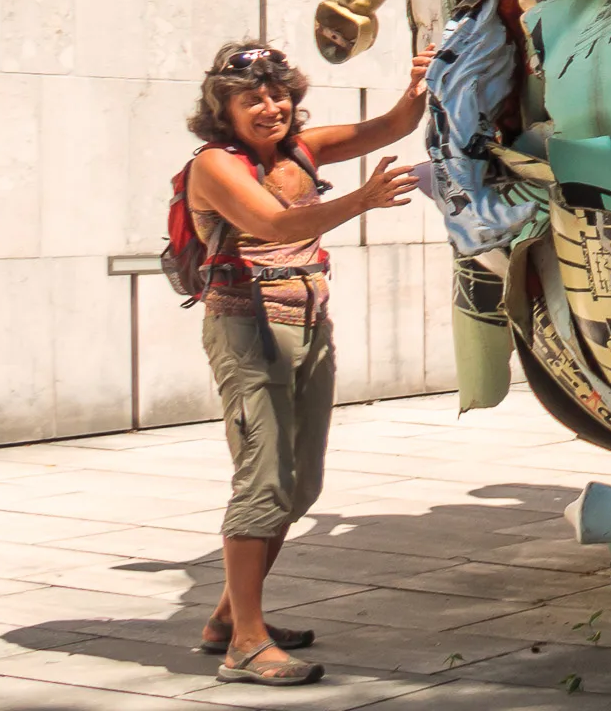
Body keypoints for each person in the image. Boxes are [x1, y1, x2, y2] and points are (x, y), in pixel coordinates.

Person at [182, 39, 430, 687]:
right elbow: (274, 225)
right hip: (248, 331)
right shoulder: (214, 165)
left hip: (309, 322)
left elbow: (392, 126)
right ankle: (245, 645)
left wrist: (421, 83)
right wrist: (362, 200)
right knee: (262, 483)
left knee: (300, 486)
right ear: (223, 109)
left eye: (278, 94)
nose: (271, 107)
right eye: (252, 99)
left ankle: (227, 618)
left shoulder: (301, 149)